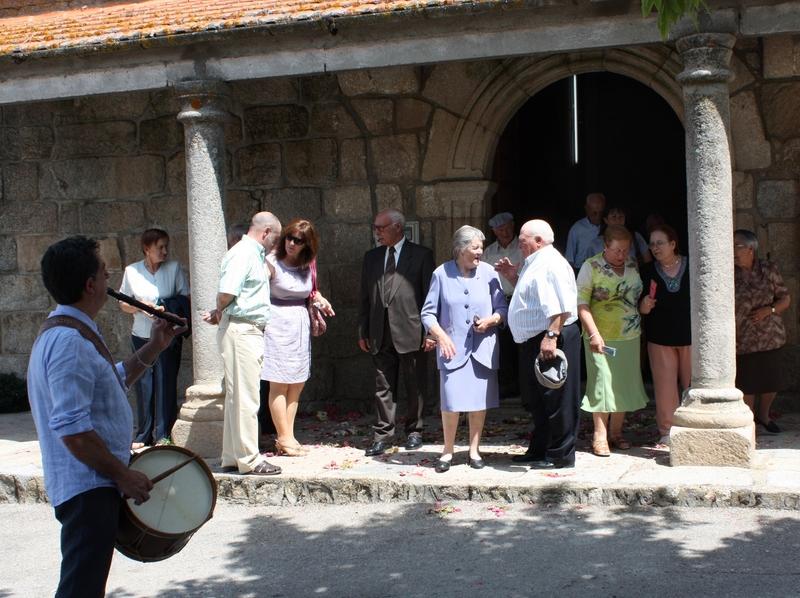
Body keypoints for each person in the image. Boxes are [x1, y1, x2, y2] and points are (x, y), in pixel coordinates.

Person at [28, 236, 185, 597]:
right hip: (88, 486)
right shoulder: (68, 342)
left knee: (85, 585)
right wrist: (122, 475)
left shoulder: (70, 332)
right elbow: (73, 431)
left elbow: (112, 382)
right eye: (103, 271)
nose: (109, 276)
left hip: (91, 484)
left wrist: (155, 345)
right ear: (90, 285)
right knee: (81, 588)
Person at [421, 225, 508, 472]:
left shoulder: (489, 273)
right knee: (451, 401)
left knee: (479, 402)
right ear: (461, 249)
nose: (480, 252)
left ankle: (474, 450)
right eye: (476, 247)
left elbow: (502, 309)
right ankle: (448, 450)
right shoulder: (441, 274)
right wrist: (441, 336)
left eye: (482, 247)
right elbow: (428, 313)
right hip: (453, 350)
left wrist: (491, 320)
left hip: (482, 349)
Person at [203, 212, 283, 475]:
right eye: (275, 238)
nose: (275, 244)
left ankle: (232, 456)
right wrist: (220, 310)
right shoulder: (244, 253)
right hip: (243, 329)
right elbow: (226, 292)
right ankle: (250, 459)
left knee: (237, 397)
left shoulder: (250, 254)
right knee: (247, 397)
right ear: (266, 232)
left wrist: (221, 312)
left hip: (243, 328)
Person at [498, 219, 581, 470]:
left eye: (522, 241)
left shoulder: (549, 263)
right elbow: (534, 298)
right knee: (538, 401)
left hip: (550, 337)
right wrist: (513, 277)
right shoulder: (536, 262)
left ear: (538, 241)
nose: (519, 245)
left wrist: (551, 336)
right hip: (536, 339)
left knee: (557, 399)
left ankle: (560, 455)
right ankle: (540, 449)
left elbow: (559, 306)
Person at [358, 208, 434, 456]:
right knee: (383, 384)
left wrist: (430, 332)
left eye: (381, 228)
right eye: (375, 228)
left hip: (411, 329)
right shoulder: (372, 257)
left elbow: (430, 297)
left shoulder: (421, 255)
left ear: (398, 227)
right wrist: (363, 330)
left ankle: (415, 430)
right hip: (379, 331)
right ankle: (383, 435)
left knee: (415, 383)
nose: (377, 232)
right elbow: (365, 296)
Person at [262, 219, 334, 456]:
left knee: (297, 383)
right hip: (276, 323)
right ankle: (283, 438)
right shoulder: (271, 261)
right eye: (289, 238)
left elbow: (312, 291)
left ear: (307, 245)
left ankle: (289, 435)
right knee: (279, 382)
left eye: (298, 240)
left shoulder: (308, 263)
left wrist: (320, 299)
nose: (292, 243)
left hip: (299, 325)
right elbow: (257, 289)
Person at [577, 224, 649, 456]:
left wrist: (644, 305)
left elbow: (633, 298)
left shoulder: (632, 265)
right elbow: (581, 303)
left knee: (623, 384)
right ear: (605, 246)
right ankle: (599, 435)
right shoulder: (591, 266)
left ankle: (616, 433)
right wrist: (593, 334)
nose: (622, 255)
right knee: (602, 383)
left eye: (625, 250)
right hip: (600, 336)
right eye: (617, 250)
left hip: (629, 335)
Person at [118, 228, 190, 448]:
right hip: (141, 334)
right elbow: (123, 303)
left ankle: (163, 434)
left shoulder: (174, 268)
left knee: (166, 381)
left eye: (166, 246)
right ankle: (143, 434)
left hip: (167, 335)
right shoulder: (132, 271)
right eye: (160, 247)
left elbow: (185, 297)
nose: (165, 251)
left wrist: (165, 307)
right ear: (146, 249)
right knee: (143, 384)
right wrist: (141, 307)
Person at [733, 229, 791, 434]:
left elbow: (785, 298)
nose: (732, 250)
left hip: (770, 336)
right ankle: (749, 420)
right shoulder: (729, 272)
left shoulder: (768, 269)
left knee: (771, 380)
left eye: (737, 246)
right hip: (743, 337)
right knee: (747, 382)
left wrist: (770, 310)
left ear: (750, 249)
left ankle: (764, 416)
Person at [638, 224, 691, 446]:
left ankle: (694, 425)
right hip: (660, 338)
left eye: (660, 243)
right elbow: (639, 307)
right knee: (665, 387)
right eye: (652, 244)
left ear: (673, 244)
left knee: (693, 385)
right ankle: (668, 430)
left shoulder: (692, 265)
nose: (655, 248)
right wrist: (644, 305)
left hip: (691, 337)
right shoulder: (647, 271)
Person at [482, 211, 523, 397]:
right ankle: (507, 387)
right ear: (494, 231)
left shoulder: (523, 248)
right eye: (500, 230)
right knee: (503, 346)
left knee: (521, 344)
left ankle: (524, 388)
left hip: (519, 300)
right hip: (498, 303)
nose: (504, 233)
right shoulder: (488, 252)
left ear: (513, 226)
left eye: (507, 228)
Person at [565, 192, 606, 271]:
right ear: (587, 209)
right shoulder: (577, 228)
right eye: (594, 213)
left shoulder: (608, 226)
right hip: (581, 269)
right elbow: (569, 257)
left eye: (601, 212)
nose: (598, 216)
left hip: (604, 271)